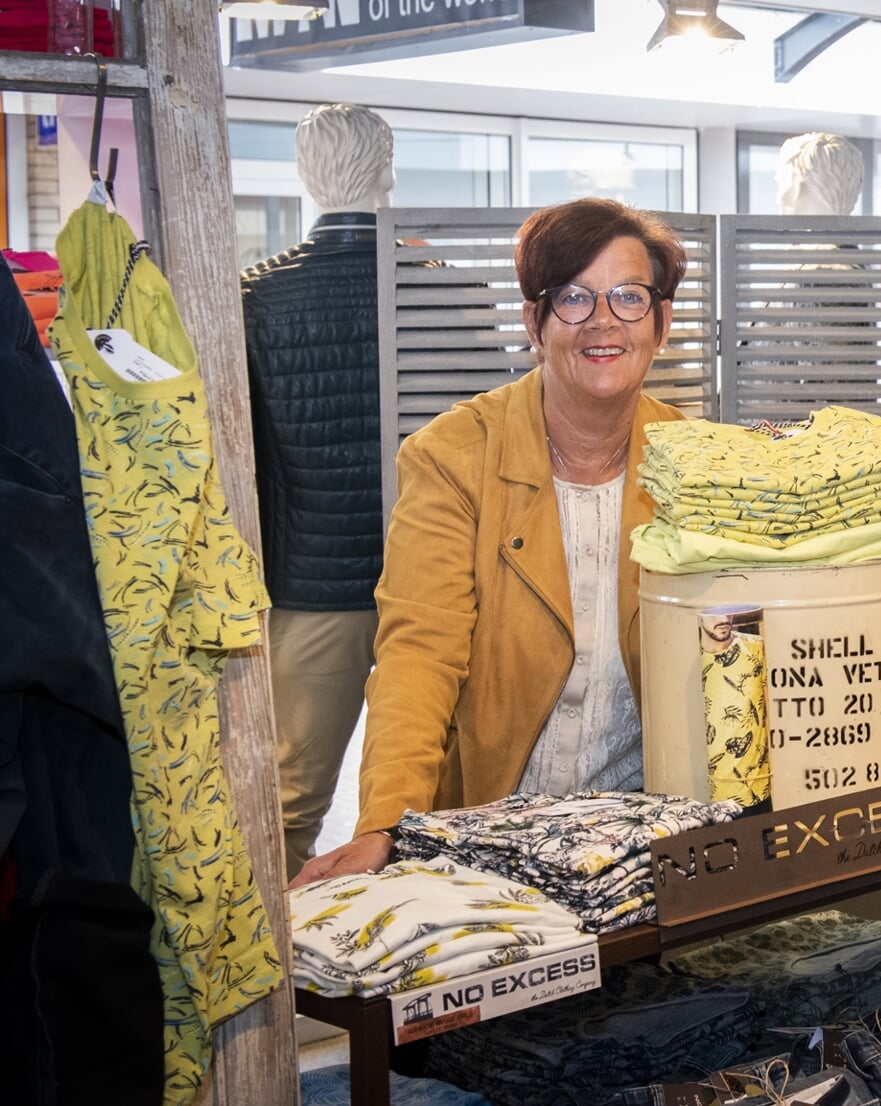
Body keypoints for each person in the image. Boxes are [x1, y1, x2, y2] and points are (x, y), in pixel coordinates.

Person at [291, 197, 687, 887]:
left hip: (645, 843)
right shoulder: (453, 456)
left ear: (661, 321)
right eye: (573, 297)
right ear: (534, 321)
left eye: (628, 296)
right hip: (486, 842)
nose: (603, 320)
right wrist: (384, 822)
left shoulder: (696, 460)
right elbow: (419, 650)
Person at [242, 103, 393, 874]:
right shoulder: (441, 288)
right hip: (432, 580)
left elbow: (243, 458)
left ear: (307, 176)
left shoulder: (257, 294)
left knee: (287, 803)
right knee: (437, 799)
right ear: (389, 168)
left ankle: (271, 982)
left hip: (307, 584)